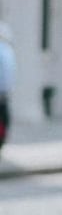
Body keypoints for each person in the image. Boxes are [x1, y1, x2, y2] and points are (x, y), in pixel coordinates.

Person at [0, 21, 16, 153]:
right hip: (5, 90)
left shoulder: (5, 51)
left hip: (3, 90)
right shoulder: (7, 50)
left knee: (4, 117)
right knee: (4, 117)